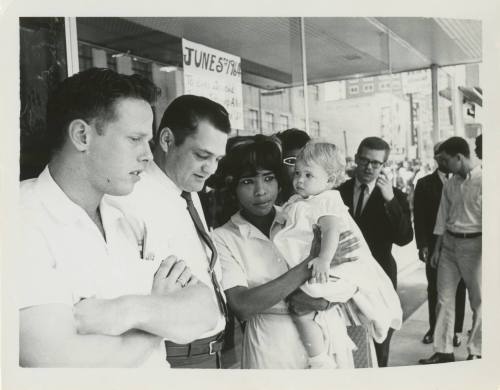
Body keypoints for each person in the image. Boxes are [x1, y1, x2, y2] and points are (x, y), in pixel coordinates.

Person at [18, 68, 218, 367]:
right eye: (135, 139)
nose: (148, 155)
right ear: (82, 136)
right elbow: (60, 363)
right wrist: (157, 320)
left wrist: (128, 311)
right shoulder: (21, 219)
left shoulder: (125, 215)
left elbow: (205, 310)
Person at [212, 135, 374, 369]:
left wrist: (326, 300)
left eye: (268, 179)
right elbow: (242, 305)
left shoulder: (305, 214)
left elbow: (355, 269)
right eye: (247, 182)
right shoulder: (223, 237)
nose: (260, 191)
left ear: (279, 182)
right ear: (233, 187)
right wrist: (309, 265)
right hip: (270, 346)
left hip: (326, 338)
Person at [109, 94, 231, 368]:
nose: (211, 169)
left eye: (217, 159)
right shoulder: (130, 198)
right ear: (166, 140)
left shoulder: (188, 188)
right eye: (202, 155)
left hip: (212, 353)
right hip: (174, 356)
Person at [272, 141, 402, 368]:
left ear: (329, 180)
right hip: (314, 266)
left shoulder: (328, 198)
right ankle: (323, 354)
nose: (299, 180)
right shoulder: (303, 199)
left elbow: (331, 230)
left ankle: (319, 358)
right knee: (308, 312)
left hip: (339, 267)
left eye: (308, 175)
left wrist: (323, 259)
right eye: (298, 173)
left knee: (305, 307)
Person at [337, 136, 413, 367]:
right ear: (356, 159)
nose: (369, 167)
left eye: (376, 163)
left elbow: (404, 238)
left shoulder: (395, 195)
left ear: (383, 166)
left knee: (380, 341)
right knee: (346, 343)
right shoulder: (339, 191)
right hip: (344, 277)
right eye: (365, 160)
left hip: (379, 277)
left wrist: (390, 200)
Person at [419, 136, 482, 364]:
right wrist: (436, 249)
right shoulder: (451, 183)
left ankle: (476, 351)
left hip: (476, 246)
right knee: (443, 300)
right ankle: (444, 351)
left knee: (479, 301)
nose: (442, 164)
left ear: (459, 157)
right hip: (448, 247)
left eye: (445, 159)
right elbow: (441, 219)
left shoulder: (485, 181)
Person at [413, 142, 466, 346]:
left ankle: (455, 331)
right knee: (434, 289)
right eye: (439, 156)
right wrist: (423, 245)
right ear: (435, 158)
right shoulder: (424, 184)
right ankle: (435, 328)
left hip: (459, 244)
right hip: (435, 246)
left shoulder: (465, 181)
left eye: (446, 156)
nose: (442, 160)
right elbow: (419, 217)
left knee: (459, 289)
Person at [275, 128, 311, 204]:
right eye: (292, 161)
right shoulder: (272, 198)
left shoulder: (320, 197)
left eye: (305, 160)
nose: (299, 168)